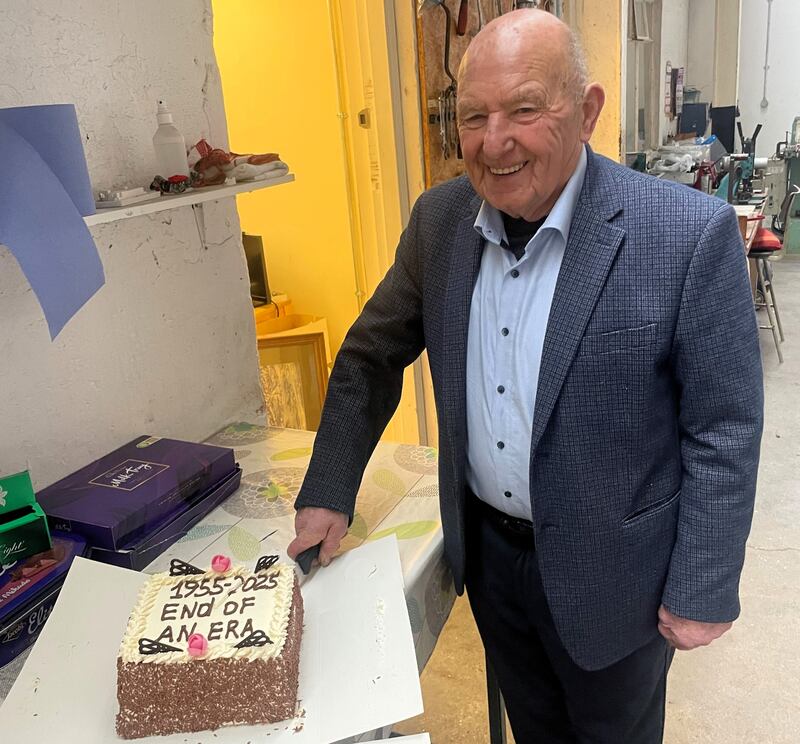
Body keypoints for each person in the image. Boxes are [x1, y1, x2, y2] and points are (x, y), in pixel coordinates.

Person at [289, 9, 763, 743]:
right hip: (494, 560)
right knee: (535, 728)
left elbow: (724, 425)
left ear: (588, 110)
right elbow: (369, 355)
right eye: (473, 115)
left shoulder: (684, 236)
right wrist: (328, 490)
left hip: (618, 576)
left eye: (525, 109)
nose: (494, 140)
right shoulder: (439, 223)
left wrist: (703, 580)